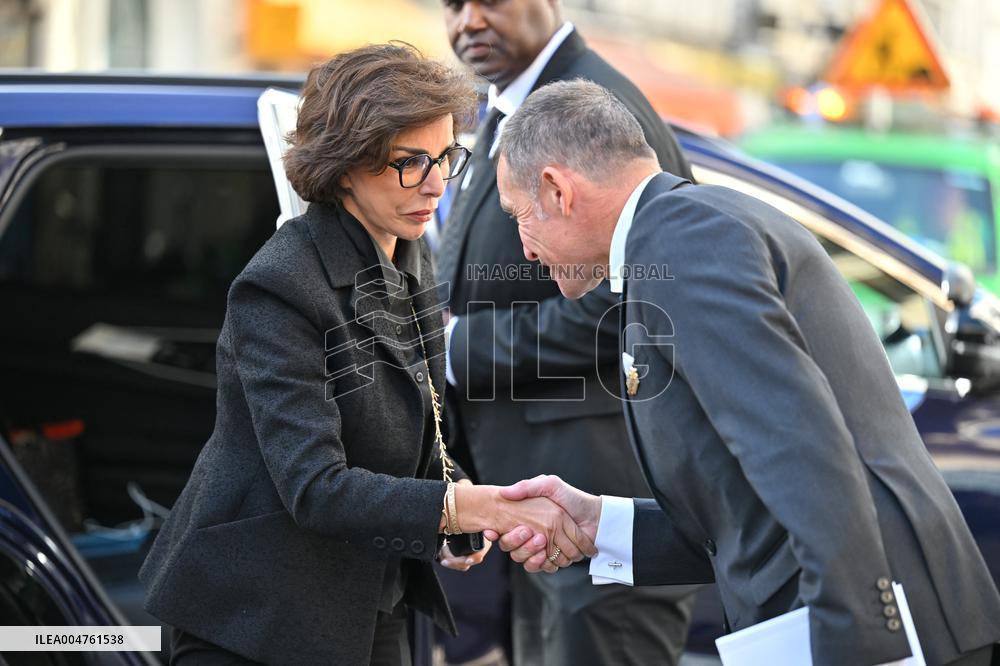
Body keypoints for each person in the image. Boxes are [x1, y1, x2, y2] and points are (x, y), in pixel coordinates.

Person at [489, 79, 1000, 666]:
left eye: (518, 215)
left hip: (884, 626)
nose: (525, 250)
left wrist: (860, 640)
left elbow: (797, 446)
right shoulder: (673, 236)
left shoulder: (681, 241)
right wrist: (596, 525)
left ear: (557, 190)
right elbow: (738, 511)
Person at [137, 45, 594, 666]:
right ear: (345, 166)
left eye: (444, 157)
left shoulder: (410, 252)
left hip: (366, 597)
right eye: (409, 163)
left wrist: (459, 503)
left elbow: (421, 426)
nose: (435, 184)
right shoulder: (280, 285)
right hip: (256, 617)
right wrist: (466, 506)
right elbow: (315, 487)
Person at [436, 1, 697, 663]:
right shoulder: (509, 111)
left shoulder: (596, 109)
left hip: (603, 506)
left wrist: (460, 346)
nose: (468, 21)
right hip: (540, 511)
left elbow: (644, 298)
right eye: (452, 5)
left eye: (488, 0)